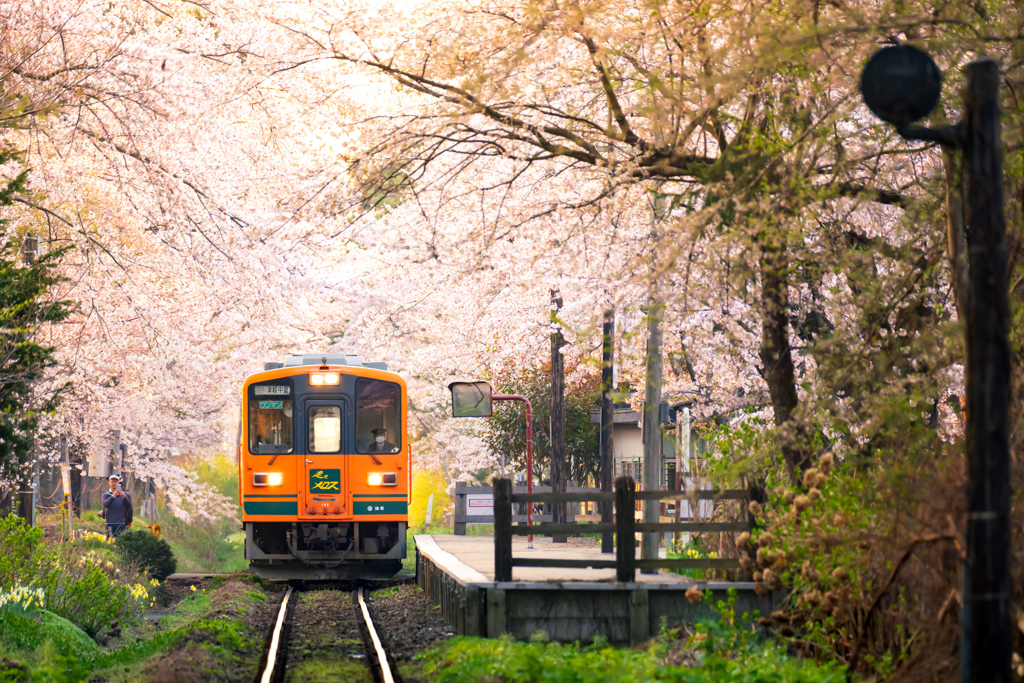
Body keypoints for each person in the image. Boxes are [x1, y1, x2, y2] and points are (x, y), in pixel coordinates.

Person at [101, 474, 133, 538]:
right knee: (110, 543)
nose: (114, 483)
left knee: (120, 543)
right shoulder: (105, 495)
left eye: (115, 481)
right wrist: (113, 496)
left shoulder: (124, 495)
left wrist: (123, 496)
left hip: (120, 524)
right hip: (109, 523)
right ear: (109, 483)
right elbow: (106, 504)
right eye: (112, 481)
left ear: (118, 483)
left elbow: (129, 506)